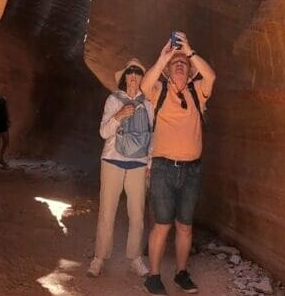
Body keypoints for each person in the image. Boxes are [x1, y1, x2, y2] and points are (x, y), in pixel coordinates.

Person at [139, 32, 216, 295]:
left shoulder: (198, 92)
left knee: (185, 225)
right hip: (163, 168)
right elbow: (144, 86)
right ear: (168, 70)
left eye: (184, 62)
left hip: (192, 170)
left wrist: (189, 50)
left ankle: (181, 273)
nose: (180, 63)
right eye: (176, 62)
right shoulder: (159, 91)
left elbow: (212, 76)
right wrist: (164, 57)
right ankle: (154, 277)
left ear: (191, 69)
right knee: (162, 225)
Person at [87, 59, 153, 279]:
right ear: (125, 77)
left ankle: (135, 259)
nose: (133, 75)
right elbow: (104, 133)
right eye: (130, 71)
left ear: (143, 78)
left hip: (138, 164)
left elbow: (152, 136)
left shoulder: (148, 103)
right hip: (112, 161)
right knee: (107, 211)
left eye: (138, 72)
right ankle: (99, 258)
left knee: (137, 214)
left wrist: (149, 164)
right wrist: (118, 116)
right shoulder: (113, 100)